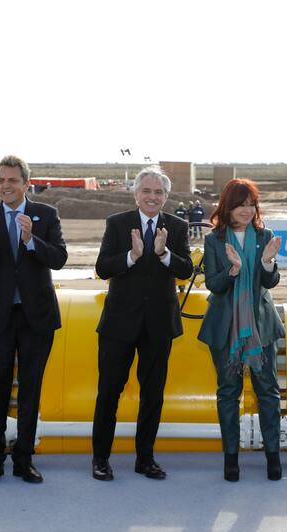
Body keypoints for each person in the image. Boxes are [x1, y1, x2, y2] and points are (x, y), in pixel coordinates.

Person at [0, 155, 68, 485]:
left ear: (26, 183)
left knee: (30, 392)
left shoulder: (46, 215)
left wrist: (30, 241)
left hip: (36, 317)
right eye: (1, 180)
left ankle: (24, 459)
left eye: (12, 180)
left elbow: (59, 258)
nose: (6, 186)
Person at [91, 165, 194, 481]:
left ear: (165, 197)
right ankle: (101, 459)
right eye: (147, 191)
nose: (152, 197)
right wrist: (131, 257)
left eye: (158, 192)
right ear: (135, 194)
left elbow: (186, 270)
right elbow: (103, 268)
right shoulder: (117, 224)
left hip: (158, 325)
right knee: (109, 391)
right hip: (119, 325)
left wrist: (163, 255)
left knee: (153, 394)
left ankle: (145, 458)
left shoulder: (176, 227)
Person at [198, 179, 285, 482]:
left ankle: (273, 457)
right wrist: (233, 270)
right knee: (228, 392)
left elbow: (270, 282)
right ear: (227, 207)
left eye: (251, 204)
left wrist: (267, 261)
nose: (247, 210)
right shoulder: (214, 240)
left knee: (268, 392)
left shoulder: (266, 236)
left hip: (260, 322)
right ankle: (230, 459)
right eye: (240, 204)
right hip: (225, 325)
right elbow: (213, 285)